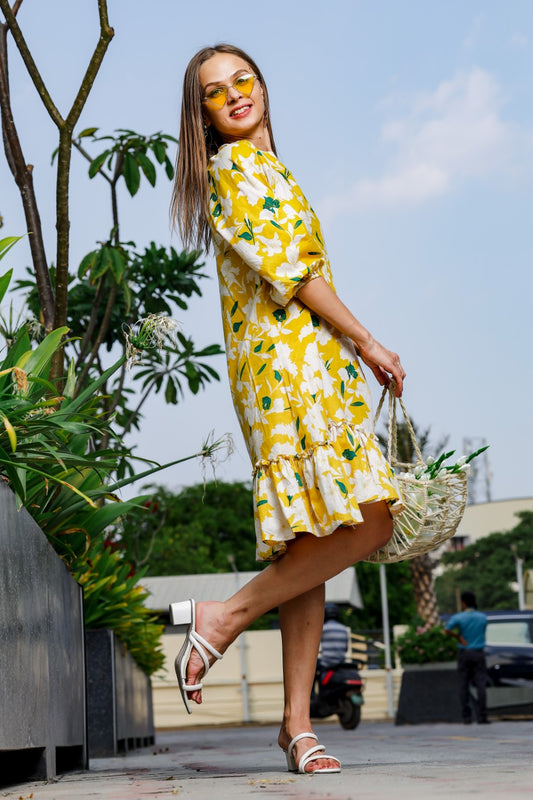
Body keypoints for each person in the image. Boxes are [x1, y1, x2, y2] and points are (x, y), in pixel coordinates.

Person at [169, 44, 406, 774]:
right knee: (372, 519)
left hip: (306, 366)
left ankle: (297, 726)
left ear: (262, 85)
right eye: (215, 92)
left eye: (243, 80)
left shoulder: (269, 167)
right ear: (202, 117)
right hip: (285, 373)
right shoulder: (233, 170)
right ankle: (224, 617)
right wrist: (367, 339)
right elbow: (296, 274)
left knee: (307, 544)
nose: (235, 95)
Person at [445, 591, 490, 724]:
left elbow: (447, 630)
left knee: (463, 685)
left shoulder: (459, 617)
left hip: (465, 653)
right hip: (478, 653)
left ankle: (467, 716)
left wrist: (459, 636)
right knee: (481, 684)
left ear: (463, 603)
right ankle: (482, 716)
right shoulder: (482, 617)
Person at [319, 604, 349, 668]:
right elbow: (346, 649)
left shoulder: (323, 629)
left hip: (326, 664)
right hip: (341, 664)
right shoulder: (343, 629)